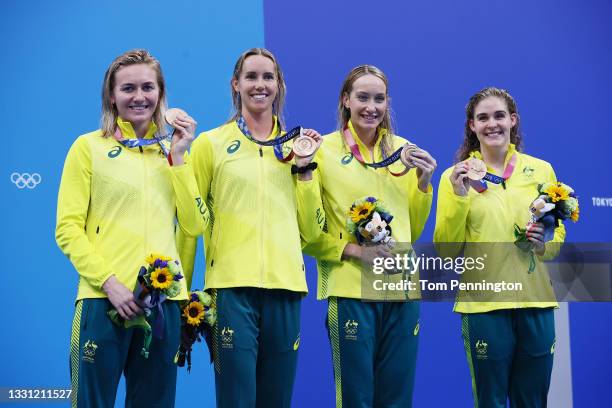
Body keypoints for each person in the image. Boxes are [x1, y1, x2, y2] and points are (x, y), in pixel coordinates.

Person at [55, 49, 207, 407]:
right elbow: (67, 229)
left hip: (162, 305)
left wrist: (180, 158)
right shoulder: (88, 147)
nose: (139, 97)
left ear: (160, 94)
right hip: (102, 301)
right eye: (128, 88)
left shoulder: (174, 152)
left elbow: (194, 223)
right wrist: (110, 283)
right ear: (112, 95)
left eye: (147, 87)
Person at [183, 47, 323, 408]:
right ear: (236, 83)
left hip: (286, 288)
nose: (259, 85)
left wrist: (305, 170)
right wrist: (181, 289)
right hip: (231, 291)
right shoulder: (210, 145)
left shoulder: (299, 148)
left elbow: (312, 233)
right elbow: (189, 222)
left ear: (279, 85)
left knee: (276, 401)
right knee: (236, 401)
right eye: (251, 77)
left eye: (267, 77)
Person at [302, 65, 437, 407]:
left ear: (387, 103)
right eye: (362, 97)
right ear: (346, 100)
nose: (370, 107)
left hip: (401, 289)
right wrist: (355, 252)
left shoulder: (404, 151)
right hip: (351, 290)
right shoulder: (322, 150)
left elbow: (413, 228)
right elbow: (308, 232)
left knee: (397, 399)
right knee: (356, 399)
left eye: (379, 99)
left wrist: (422, 184)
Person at [433, 87, 565, 407]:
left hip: (536, 303)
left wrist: (542, 245)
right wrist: (460, 197)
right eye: (483, 118)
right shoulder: (455, 177)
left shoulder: (541, 170)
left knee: (532, 401)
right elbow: (447, 250)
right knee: (490, 401)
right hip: (484, 307)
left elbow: (556, 235)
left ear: (513, 120)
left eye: (499, 115)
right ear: (472, 126)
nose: (492, 124)